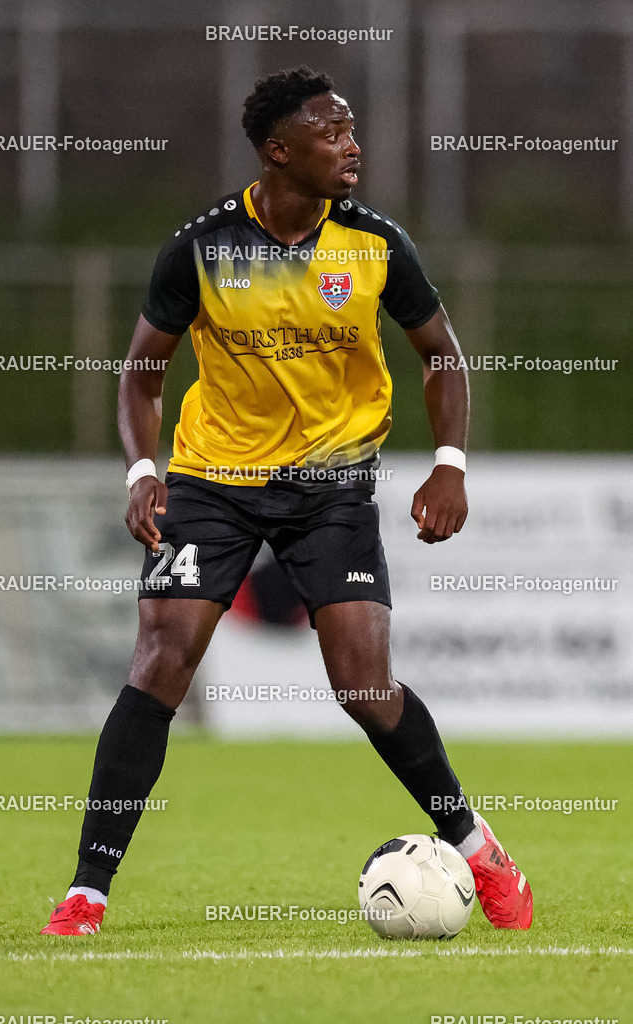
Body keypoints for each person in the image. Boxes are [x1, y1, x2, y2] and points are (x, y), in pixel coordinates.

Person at [41, 67, 532, 936]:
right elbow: (141, 370)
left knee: (361, 684)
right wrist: (140, 470)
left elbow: (441, 353)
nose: (352, 146)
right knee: (160, 659)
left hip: (333, 484)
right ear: (278, 151)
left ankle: (474, 843)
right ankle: (87, 892)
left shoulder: (375, 243)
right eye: (331, 132)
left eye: (351, 130)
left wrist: (450, 463)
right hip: (211, 483)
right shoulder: (203, 247)